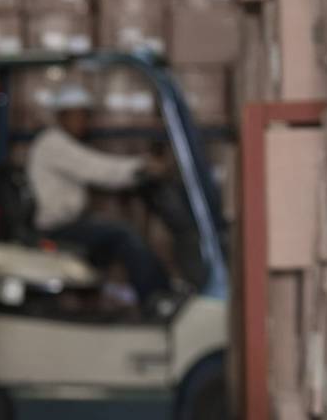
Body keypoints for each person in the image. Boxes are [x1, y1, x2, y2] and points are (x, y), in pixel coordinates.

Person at [26, 83, 200, 306]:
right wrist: (141, 166)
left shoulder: (61, 142)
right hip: (57, 228)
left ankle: (163, 289)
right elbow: (98, 169)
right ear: (63, 116)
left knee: (119, 236)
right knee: (125, 235)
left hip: (70, 223)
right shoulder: (53, 143)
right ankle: (156, 299)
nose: (83, 122)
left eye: (85, 116)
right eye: (77, 115)